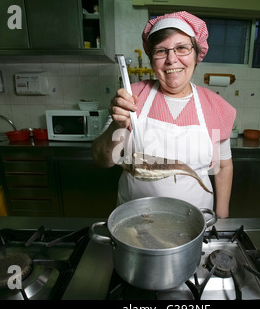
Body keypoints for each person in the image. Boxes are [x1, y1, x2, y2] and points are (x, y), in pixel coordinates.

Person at [92, 11, 236, 218]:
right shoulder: (132, 96)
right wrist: (118, 126)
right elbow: (102, 160)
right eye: (161, 51)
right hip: (136, 221)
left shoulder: (216, 106)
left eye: (182, 48)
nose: (171, 59)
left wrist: (221, 218)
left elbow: (222, 166)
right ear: (152, 60)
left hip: (196, 222)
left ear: (197, 54)